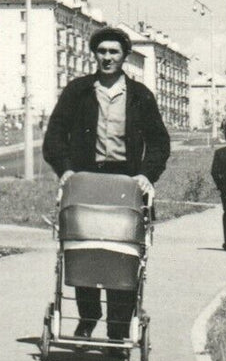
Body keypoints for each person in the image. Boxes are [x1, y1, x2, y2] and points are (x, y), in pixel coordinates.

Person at [43, 26, 170, 343]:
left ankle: (117, 333)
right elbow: (54, 136)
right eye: (102, 51)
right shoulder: (78, 91)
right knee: (84, 247)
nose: (108, 57)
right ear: (94, 55)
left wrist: (146, 174)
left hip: (126, 184)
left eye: (114, 52)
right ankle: (88, 316)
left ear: (125, 56)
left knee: (123, 254)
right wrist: (66, 170)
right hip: (86, 181)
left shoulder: (140, 96)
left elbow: (159, 142)